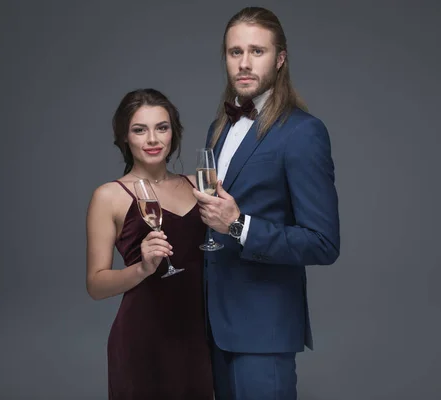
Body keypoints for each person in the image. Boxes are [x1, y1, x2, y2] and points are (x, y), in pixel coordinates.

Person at [192, 7, 341, 400]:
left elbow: (323, 243)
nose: (243, 63)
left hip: (263, 331)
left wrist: (239, 225)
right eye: (234, 51)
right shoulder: (219, 127)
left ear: (280, 58)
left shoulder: (303, 133)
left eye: (256, 51)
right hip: (212, 324)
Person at [85, 88, 214, 399]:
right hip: (143, 339)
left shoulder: (198, 185)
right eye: (139, 130)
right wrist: (142, 268)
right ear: (125, 138)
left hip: (199, 336)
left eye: (162, 127)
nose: (153, 139)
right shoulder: (109, 196)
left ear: (174, 133)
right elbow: (96, 285)